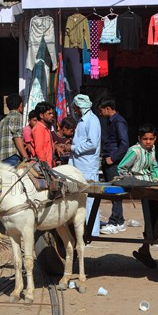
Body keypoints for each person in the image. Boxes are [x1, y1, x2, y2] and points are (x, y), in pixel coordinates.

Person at [118, 123, 158, 268]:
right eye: (145, 139)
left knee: (155, 215)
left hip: (149, 185)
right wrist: (131, 181)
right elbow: (122, 167)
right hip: (138, 185)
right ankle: (146, 246)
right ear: (139, 139)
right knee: (151, 215)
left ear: (155, 139)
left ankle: (145, 247)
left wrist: (155, 179)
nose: (148, 142)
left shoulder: (152, 150)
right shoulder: (134, 151)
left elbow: (154, 167)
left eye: (151, 139)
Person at [66, 94, 102, 236]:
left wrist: (73, 148)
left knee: (90, 200)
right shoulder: (83, 120)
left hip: (87, 166)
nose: (74, 109)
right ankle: (81, 230)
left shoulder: (92, 121)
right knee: (80, 199)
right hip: (79, 165)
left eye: (75, 106)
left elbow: (92, 144)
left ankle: (92, 232)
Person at [98, 96, 130, 234]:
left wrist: (113, 158)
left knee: (115, 193)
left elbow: (124, 144)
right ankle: (120, 220)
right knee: (113, 193)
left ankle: (114, 221)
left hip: (114, 163)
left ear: (108, 109)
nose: (100, 113)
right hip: (108, 161)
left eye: (101, 110)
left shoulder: (119, 122)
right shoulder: (111, 122)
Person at [0, 93, 29, 166]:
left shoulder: (3, 120)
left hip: (2, 157)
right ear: (20, 105)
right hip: (13, 156)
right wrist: (25, 156)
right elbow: (16, 137)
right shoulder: (17, 116)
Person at [31, 101, 55, 166]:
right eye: (49, 113)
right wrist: (46, 166)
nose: (52, 115)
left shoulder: (46, 128)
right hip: (42, 167)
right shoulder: (38, 129)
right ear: (41, 115)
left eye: (52, 113)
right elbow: (39, 150)